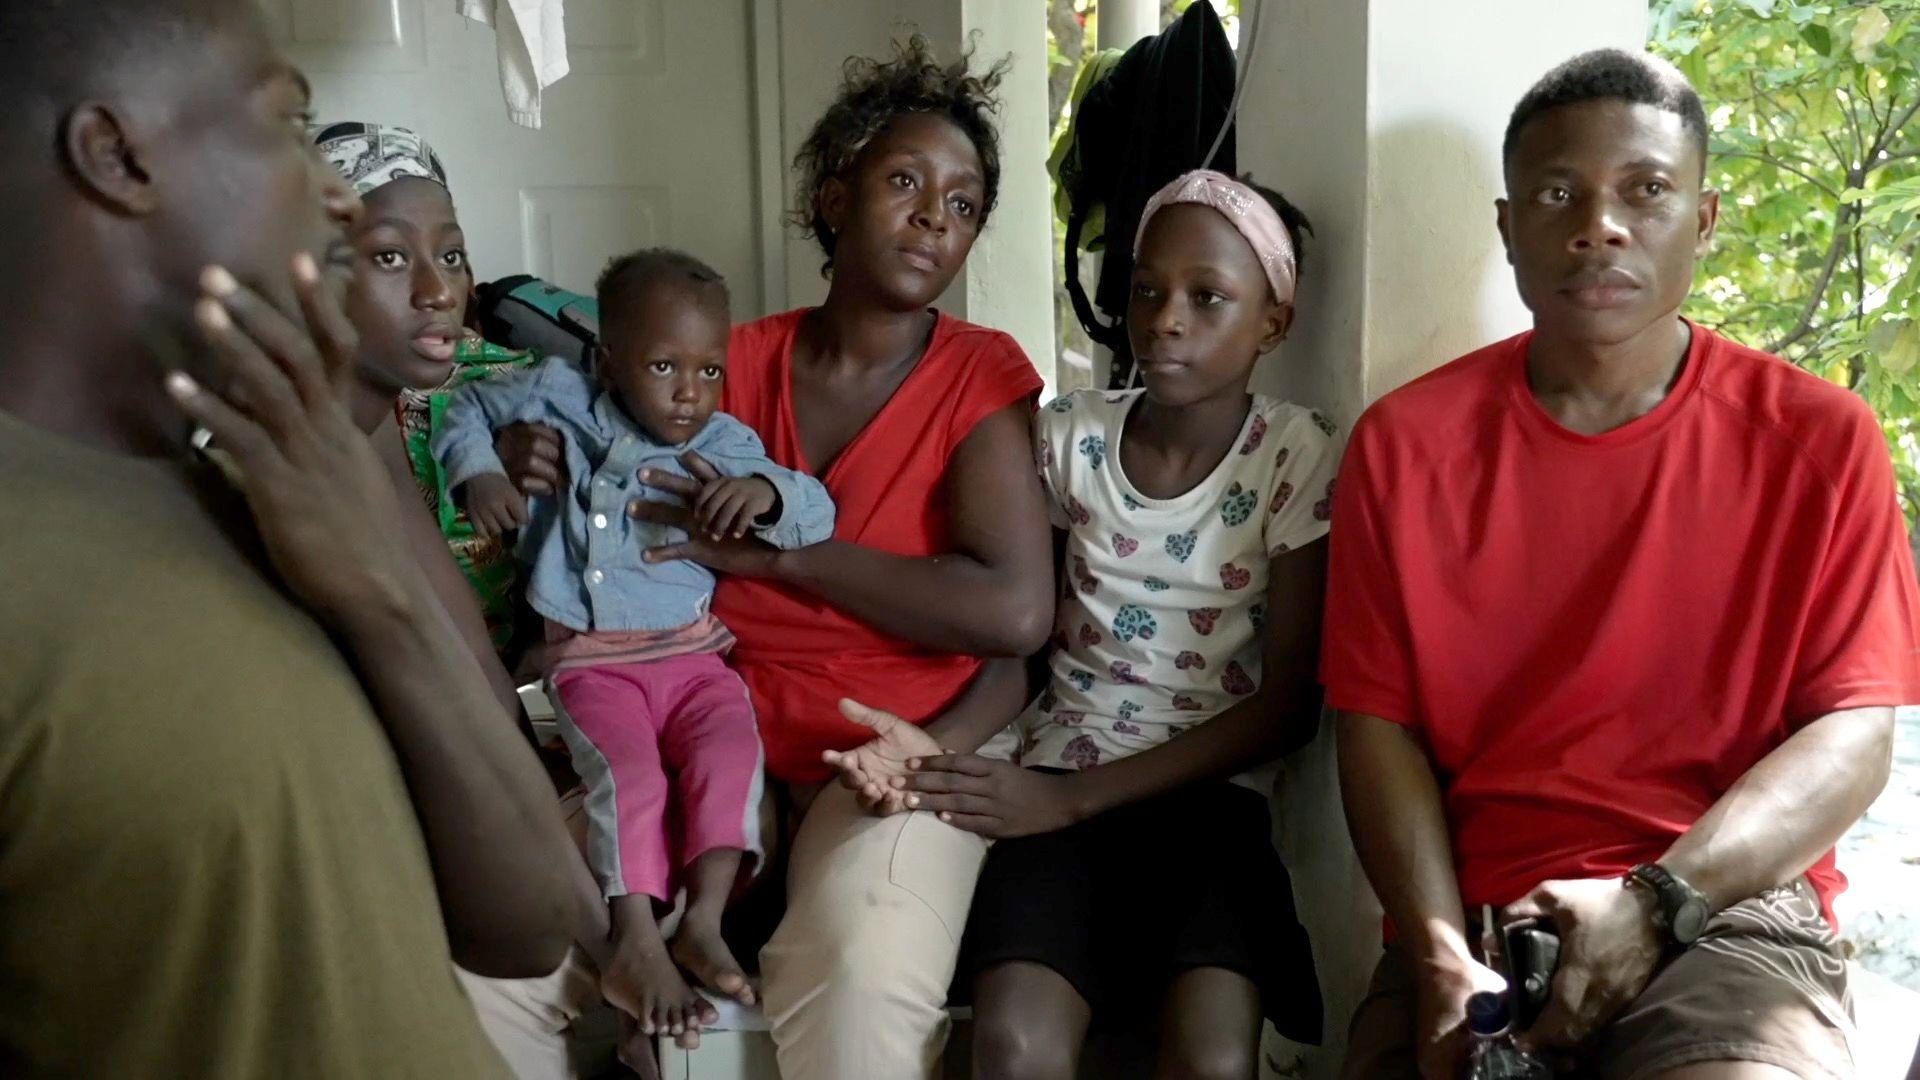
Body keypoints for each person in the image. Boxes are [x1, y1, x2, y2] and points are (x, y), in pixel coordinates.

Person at [0, 2, 576, 1076]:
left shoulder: (280, 494)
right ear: (116, 154)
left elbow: (538, 919)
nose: (336, 192)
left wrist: (383, 596)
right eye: (283, 121)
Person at [1326, 48, 1920, 1080]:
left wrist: (1658, 902)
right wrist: (1434, 956)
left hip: (1729, 915)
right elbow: (1377, 729)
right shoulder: (1405, 445)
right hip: (1477, 919)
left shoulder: (1820, 440)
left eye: (1645, 191)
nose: (1599, 224)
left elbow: (1855, 735)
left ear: (1703, 219)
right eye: (1558, 193)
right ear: (1508, 228)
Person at [475, 37, 1056, 1080]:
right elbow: (581, 483)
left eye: (964, 204)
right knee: (496, 956)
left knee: (861, 968)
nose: (935, 216)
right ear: (833, 200)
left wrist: (785, 564)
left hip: (882, 744)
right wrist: (526, 459)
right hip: (692, 714)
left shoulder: (979, 376)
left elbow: (1014, 615)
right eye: (906, 182)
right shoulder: (720, 364)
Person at [936, 169, 1333, 1080]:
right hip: (1055, 790)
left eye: (1208, 298)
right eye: (1148, 291)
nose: (1165, 319)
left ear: (1274, 322)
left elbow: (1288, 713)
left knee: (1213, 1057)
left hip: (1210, 809)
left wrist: (1071, 797)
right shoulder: (1068, 438)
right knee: (1012, 1045)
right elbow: (1019, 635)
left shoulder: (1291, 455)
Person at [435, 248, 834, 1042]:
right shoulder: (557, 398)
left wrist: (761, 495)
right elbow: (466, 413)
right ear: (609, 360)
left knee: (730, 758)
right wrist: (478, 473)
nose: (690, 392)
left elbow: (815, 509)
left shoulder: (723, 442)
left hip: (692, 656)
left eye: (708, 370)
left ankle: (705, 920)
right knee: (631, 779)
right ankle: (636, 938)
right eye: (662, 365)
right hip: (592, 660)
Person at [313, 120, 539, 656]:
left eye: (451, 257)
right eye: (390, 256)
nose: (438, 292)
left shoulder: (375, 430)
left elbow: (471, 661)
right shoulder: (286, 459)